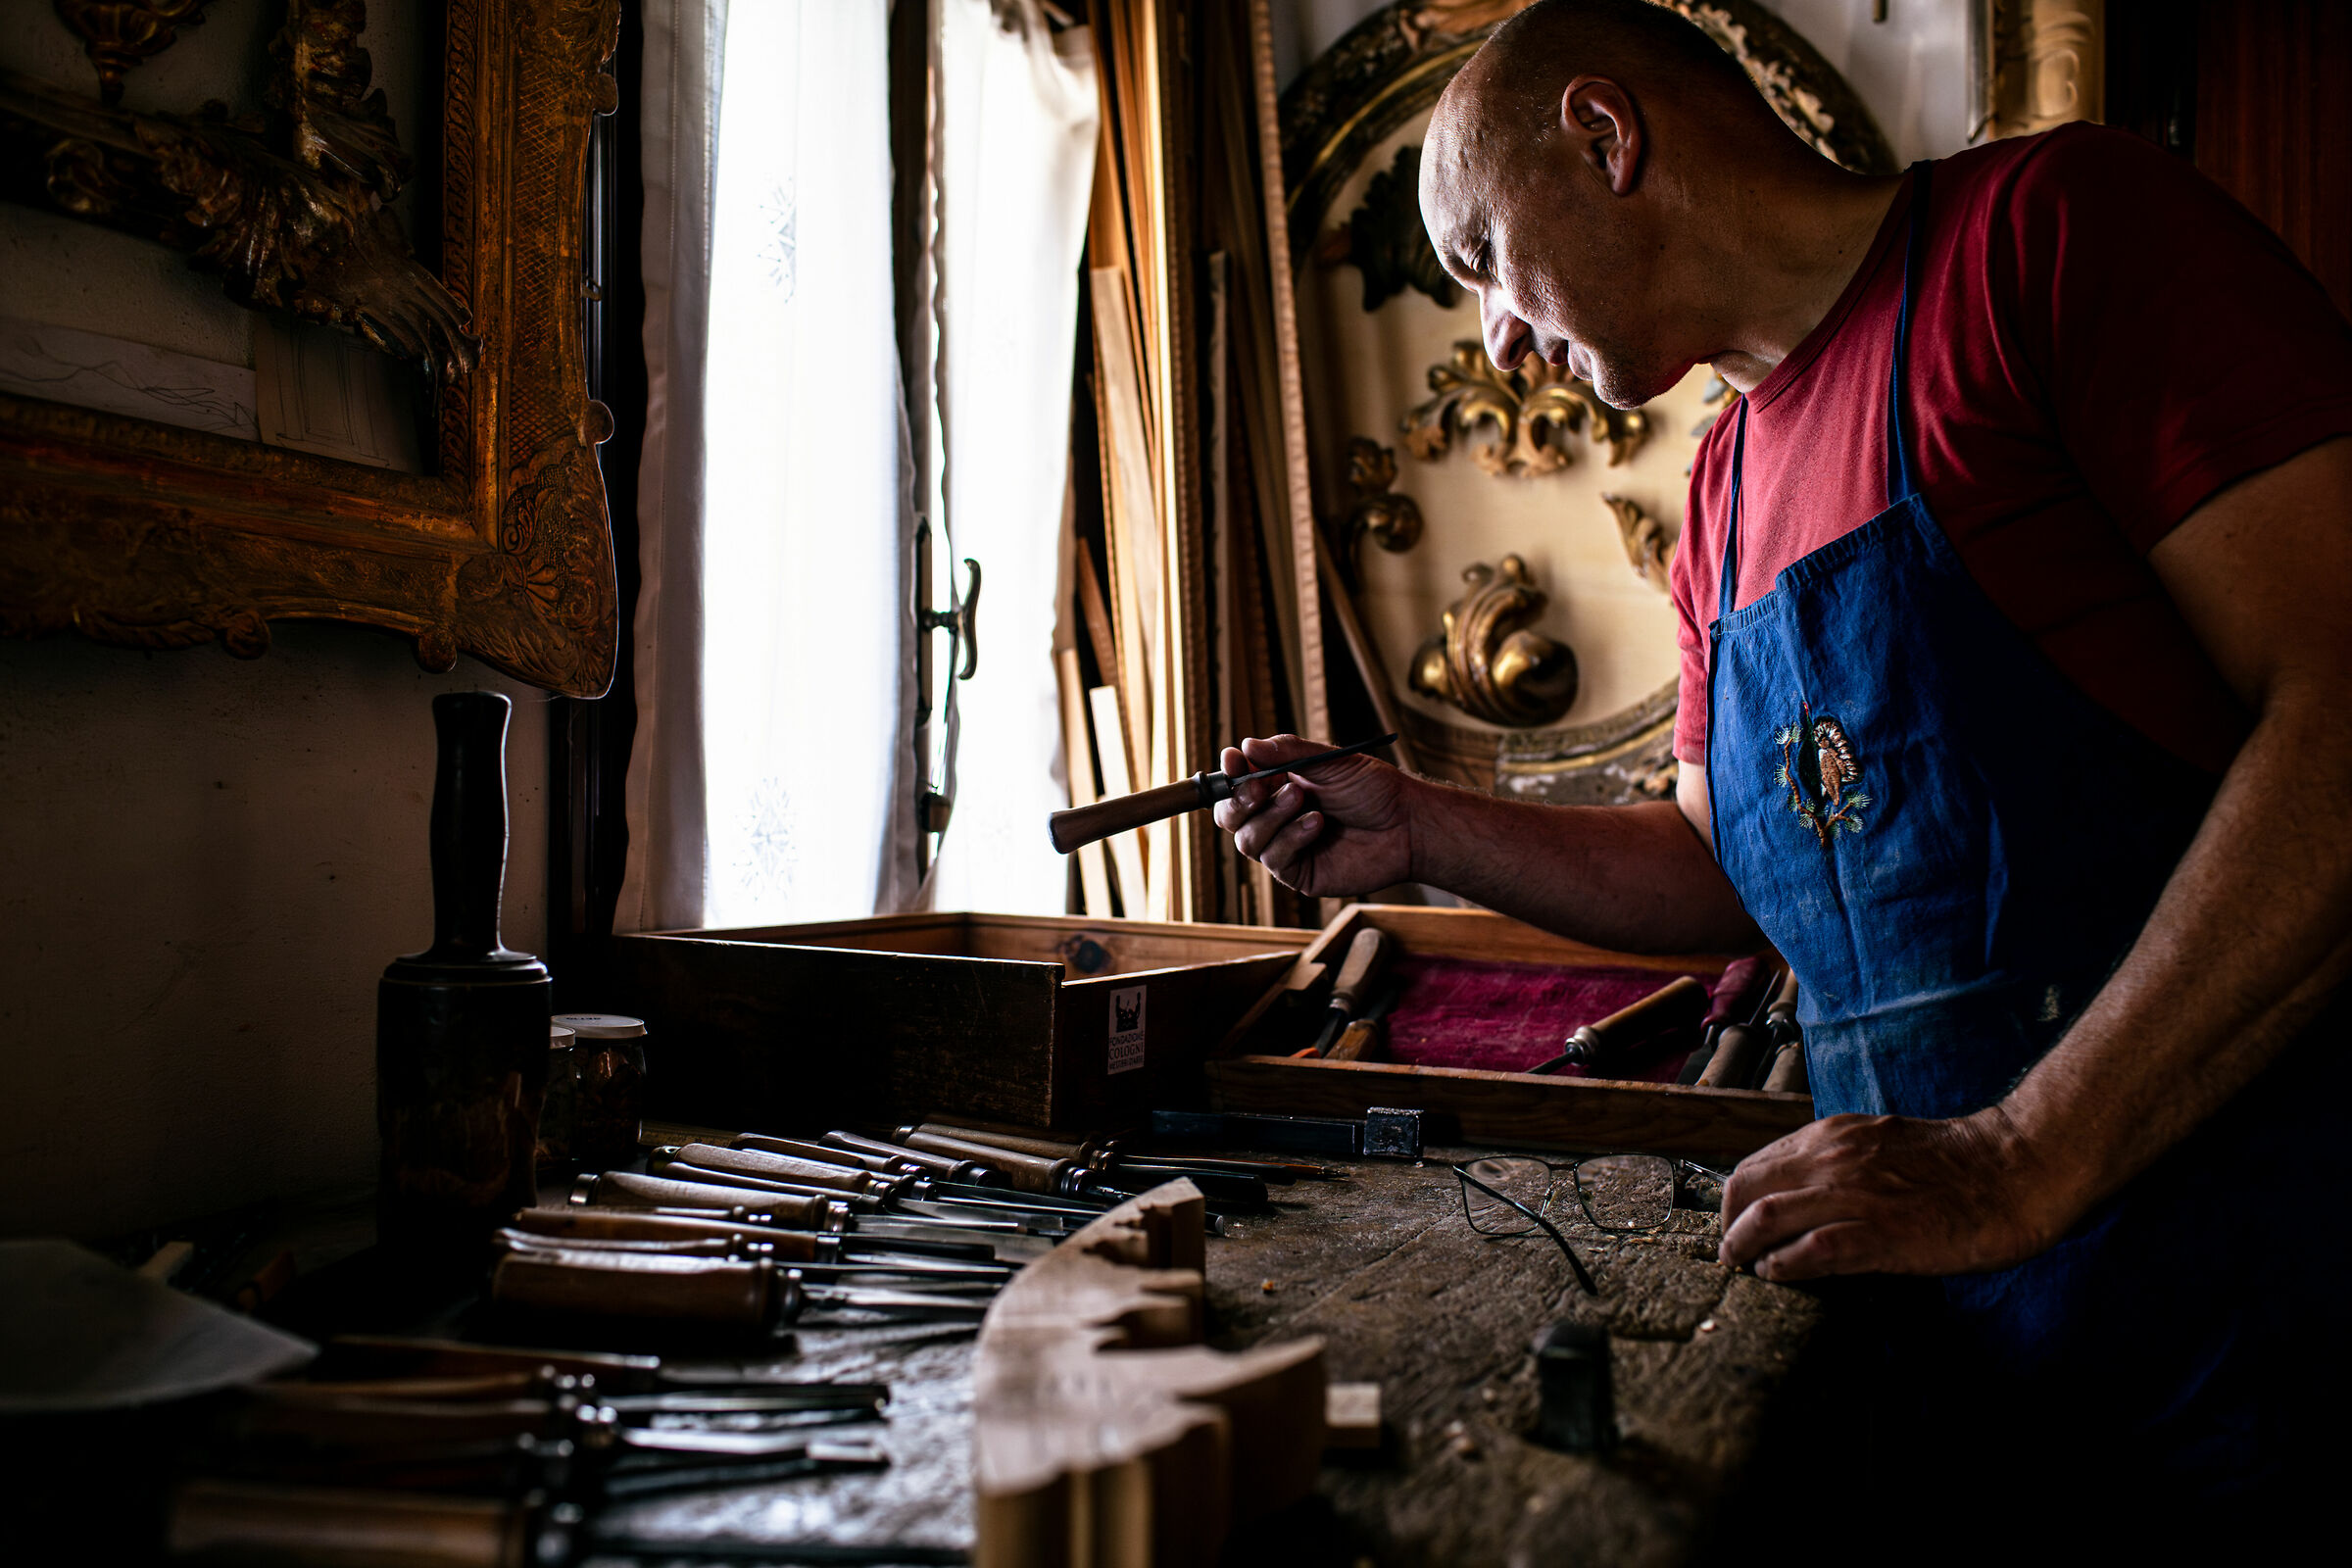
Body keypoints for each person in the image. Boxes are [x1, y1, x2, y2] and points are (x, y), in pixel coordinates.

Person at [1214, 0, 2352, 1529]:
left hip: (2261, 1279)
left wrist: (2019, 1157)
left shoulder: (2051, 238)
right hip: (1964, 1320)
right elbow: (1721, 867)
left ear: (1607, 137)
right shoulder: (1724, 494)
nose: (1491, 337)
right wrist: (1415, 825)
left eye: (1480, 261)